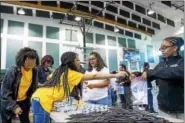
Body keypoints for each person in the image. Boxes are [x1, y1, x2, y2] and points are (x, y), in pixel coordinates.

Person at [31, 51, 127, 123]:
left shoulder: (59, 70)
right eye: (77, 60)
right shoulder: (71, 73)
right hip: (43, 100)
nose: (79, 62)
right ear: (71, 61)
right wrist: (115, 75)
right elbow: (94, 76)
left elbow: (48, 78)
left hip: (38, 97)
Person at [142, 37, 184, 121]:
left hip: (180, 110)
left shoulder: (182, 62)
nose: (162, 50)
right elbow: (152, 76)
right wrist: (140, 76)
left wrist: (152, 72)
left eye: (165, 47)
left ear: (175, 47)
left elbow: (176, 72)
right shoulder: (161, 64)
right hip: (163, 108)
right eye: (161, 48)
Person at [0, 47, 39, 123]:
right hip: (9, 101)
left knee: (25, 120)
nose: (31, 65)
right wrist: (14, 107)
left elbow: (33, 89)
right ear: (22, 60)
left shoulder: (34, 71)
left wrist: (34, 101)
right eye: (28, 63)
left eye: (33, 63)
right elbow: (4, 93)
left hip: (24, 101)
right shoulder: (13, 71)